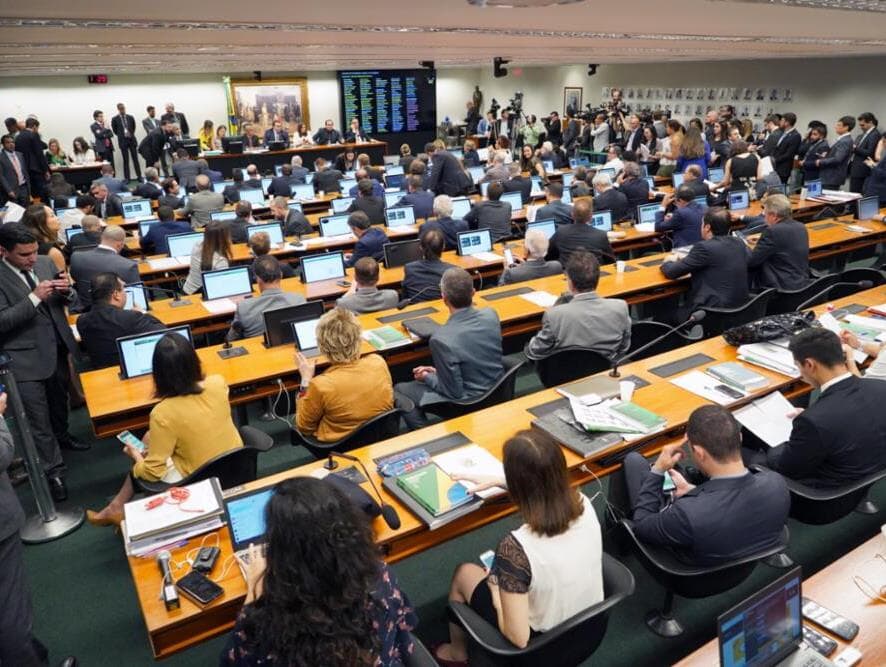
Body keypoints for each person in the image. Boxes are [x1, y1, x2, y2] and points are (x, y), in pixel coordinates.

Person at [434, 429, 603, 664]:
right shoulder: (584, 503)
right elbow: (546, 486)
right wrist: (503, 482)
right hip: (590, 632)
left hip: (541, 651)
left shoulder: (515, 549)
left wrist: (495, 592)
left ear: (519, 484)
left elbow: (519, 638)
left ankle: (456, 654)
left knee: (464, 574)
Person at [221, 477, 417, 667]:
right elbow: (405, 628)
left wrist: (253, 593)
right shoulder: (381, 577)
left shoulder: (265, 623)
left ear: (282, 551)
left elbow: (231, 660)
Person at [87, 333, 244, 526]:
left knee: (142, 466)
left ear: (159, 373)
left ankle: (123, 509)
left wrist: (135, 455)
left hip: (197, 477)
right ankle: (117, 507)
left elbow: (152, 473)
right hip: (235, 463)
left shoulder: (162, 413)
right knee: (148, 438)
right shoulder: (218, 383)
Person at [621, 405, 789, 565]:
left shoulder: (687, 513)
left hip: (694, 572)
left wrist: (658, 471)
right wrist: (695, 492)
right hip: (743, 562)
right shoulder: (777, 483)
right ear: (739, 438)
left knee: (634, 460)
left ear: (699, 453)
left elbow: (641, 525)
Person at [0, 223, 82, 501]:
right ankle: (53, 470)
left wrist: (67, 291)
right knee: (37, 418)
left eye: (34, 251)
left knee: (59, 403)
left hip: (57, 347)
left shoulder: (46, 262)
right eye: (24, 255)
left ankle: (64, 437)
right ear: (3, 251)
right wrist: (35, 298)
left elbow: (71, 298)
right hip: (23, 359)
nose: (32, 259)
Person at [757, 328, 886, 488]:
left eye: (798, 366)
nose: (801, 374)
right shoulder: (881, 387)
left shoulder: (814, 420)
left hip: (825, 493)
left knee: (755, 457)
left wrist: (798, 433)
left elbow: (787, 469)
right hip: (868, 474)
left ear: (809, 364)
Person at [396, 268, 503, 429]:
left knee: (399, 389)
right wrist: (438, 372)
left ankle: (423, 434)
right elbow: (472, 358)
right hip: (496, 390)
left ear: (443, 298)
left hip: (467, 402)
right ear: (473, 293)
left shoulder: (441, 339)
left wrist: (427, 376)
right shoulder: (491, 315)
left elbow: (454, 392)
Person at [295, 307, 394, 441]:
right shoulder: (378, 362)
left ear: (322, 347)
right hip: (380, 435)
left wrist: (305, 380)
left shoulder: (320, 385)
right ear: (359, 339)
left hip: (340, 445)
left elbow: (304, 427)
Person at [525, 250, 630, 361]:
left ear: (570, 281)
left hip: (564, 370)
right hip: (606, 367)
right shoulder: (621, 307)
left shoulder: (554, 315)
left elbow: (535, 352)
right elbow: (623, 348)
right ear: (598, 278)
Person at [660, 207, 749, 314]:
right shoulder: (739, 242)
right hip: (741, 308)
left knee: (662, 316)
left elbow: (671, 272)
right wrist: (688, 258)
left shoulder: (704, 248)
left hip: (712, 312)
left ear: (707, 227)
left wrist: (668, 261)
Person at [77, 273, 164, 368]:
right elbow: (163, 332)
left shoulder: (81, 321)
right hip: (130, 369)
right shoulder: (130, 318)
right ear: (116, 295)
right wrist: (143, 313)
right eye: (123, 289)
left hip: (100, 373)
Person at [228, 256, 304, 340]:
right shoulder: (299, 300)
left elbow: (231, 339)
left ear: (258, 279)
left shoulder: (243, 307)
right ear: (281, 275)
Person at [746, 194, 809, 291]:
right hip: (801, 282)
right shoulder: (801, 227)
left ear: (774, 216)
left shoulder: (772, 231)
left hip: (780, 287)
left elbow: (752, 261)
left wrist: (745, 247)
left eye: (765, 213)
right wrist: (762, 240)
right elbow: (784, 243)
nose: (764, 217)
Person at [70, 225, 139, 310]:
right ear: (120, 245)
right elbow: (137, 296)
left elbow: (75, 278)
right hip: (116, 313)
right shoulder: (128, 266)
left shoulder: (76, 257)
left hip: (85, 310)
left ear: (101, 238)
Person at [547, 198, 613, 267]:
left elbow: (548, 251)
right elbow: (610, 259)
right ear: (591, 217)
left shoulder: (561, 231)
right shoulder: (601, 235)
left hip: (569, 272)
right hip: (593, 271)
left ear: (572, 215)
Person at [401, 229, 456, 303]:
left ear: (421, 247)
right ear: (443, 247)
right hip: (442, 307)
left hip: (417, 308)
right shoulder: (452, 271)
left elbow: (405, 295)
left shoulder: (409, 268)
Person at [182, 220, 233, 294]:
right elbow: (223, 285)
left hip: (188, 290)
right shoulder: (220, 261)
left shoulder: (197, 245)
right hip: (203, 295)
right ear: (224, 238)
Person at [20, 204, 65, 272]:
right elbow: (62, 278)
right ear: (40, 223)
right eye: (52, 216)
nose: (57, 218)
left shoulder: (27, 245)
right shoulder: (53, 252)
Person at [14, 118, 50, 202]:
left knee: (31, 192)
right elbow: (39, 154)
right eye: (37, 128)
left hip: (24, 168)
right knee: (42, 192)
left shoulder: (18, 137)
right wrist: (46, 170)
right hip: (36, 168)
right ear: (34, 126)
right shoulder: (34, 135)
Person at [817, 116, 855, 190]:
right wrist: (826, 155)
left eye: (839, 125)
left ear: (846, 127)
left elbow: (837, 159)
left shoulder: (845, 141)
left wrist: (820, 161)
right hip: (829, 176)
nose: (835, 127)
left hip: (832, 177)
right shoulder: (843, 139)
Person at [849, 112, 881, 194]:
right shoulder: (862, 135)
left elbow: (870, 152)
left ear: (870, 122)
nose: (861, 127)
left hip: (863, 170)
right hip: (855, 169)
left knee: (857, 195)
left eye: (862, 125)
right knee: (852, 194)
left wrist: (855, 148)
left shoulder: (875, 134)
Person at [111, 102, 141, 181]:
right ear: (118, 109)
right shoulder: (115, 119)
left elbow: (133, 127)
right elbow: (115, 131)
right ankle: (127, 178)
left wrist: (129, 134)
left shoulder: (130, 117)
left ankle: (139, 176)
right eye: (121, 109)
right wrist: (122, 135)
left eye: (123, 108)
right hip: (123, 141)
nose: (123, 110)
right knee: (125, 160)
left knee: (135, 159)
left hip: (131, 140)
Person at [1, 134, 31, 206]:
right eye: (8, 142)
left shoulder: (20, 155)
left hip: (23, 187)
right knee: (15, 210)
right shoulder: (1, 158)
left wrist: (28, 188)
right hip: (11, 190)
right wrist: (9, 190)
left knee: (26, 209)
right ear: (3, 144)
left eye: (12, 142)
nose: (11, 144)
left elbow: (25, 172)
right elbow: (1, 176)